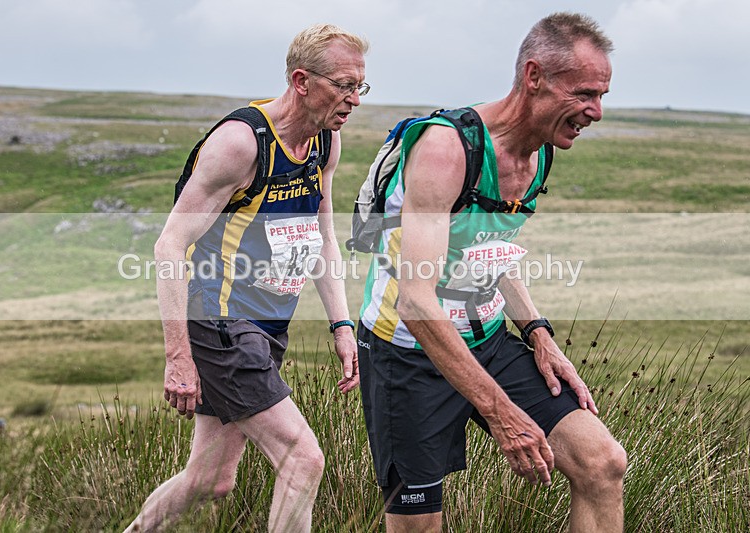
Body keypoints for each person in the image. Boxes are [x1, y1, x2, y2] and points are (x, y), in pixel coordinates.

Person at [357, 12, 627, 532]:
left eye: (603, 96)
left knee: (602, 465)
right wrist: (500, 414)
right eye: (585, 93)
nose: (596, 111)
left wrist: (538, 332)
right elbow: (415, 303)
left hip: (488, 340)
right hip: (407, 352)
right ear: (534, 77)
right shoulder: (444, 150)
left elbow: (491, 248)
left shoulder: (540, 151)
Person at [125, 24, 369, 532]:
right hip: (220, 321)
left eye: (360, 87)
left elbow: (321, 237)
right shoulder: (241, 144)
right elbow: (169, 244)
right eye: (344, 86)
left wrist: (341, 325)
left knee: (209, 479)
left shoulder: (326, 142)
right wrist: (178, 357)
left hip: (267, 327)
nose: (354, 100)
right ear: (302, 81)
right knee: (303, 459)